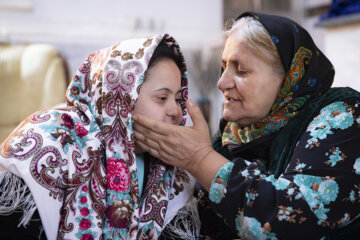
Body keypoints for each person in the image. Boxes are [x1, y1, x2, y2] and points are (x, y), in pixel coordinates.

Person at [133, 12, 360, 239]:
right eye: (223, 67)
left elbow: (292, 221)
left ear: (290, 76)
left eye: (241, 70)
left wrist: (199, 159)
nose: (222, 82)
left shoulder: (343, 115)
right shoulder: (231, 138)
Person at [0, 34, 199, 240]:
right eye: (162, 98)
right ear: (121, 95)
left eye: (178, 99)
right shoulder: (49, 139)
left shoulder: (171, 171)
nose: (176, 111)